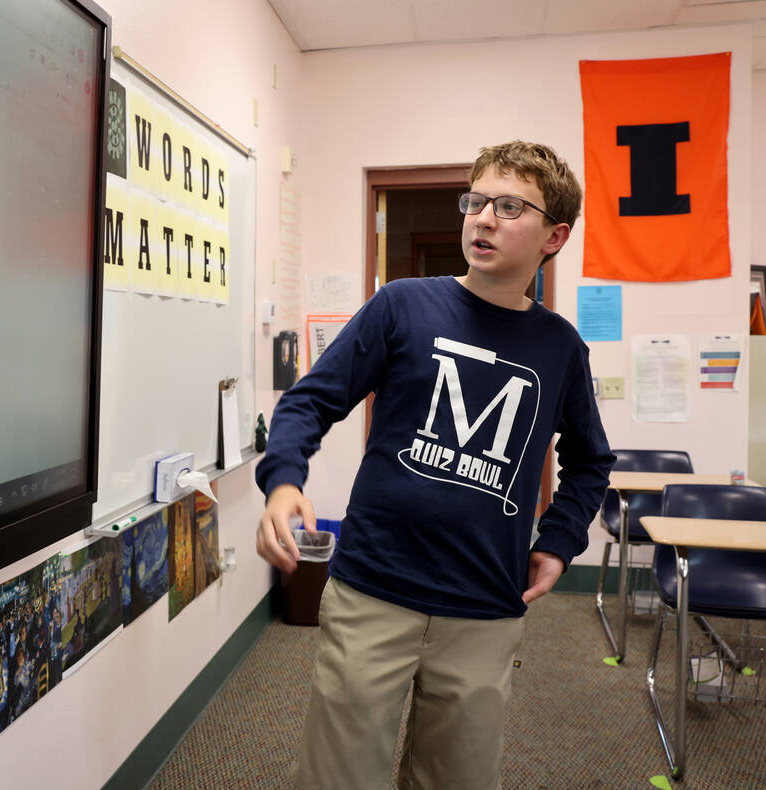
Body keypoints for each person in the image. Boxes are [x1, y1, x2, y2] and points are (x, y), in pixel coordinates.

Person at [255, 141, 615, 790]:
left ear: (554, 236)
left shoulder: (561, 349)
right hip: (372, 590)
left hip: (483, 604)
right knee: (337, 777)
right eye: (476, 201)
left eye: (510, 207)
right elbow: (311, 400)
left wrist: (558, 542)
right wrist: (283, 482)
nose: (483, 218)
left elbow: (591, 462)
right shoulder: (403, 306)